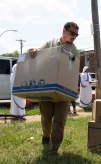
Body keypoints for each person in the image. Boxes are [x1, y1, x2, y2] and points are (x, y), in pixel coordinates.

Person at [29, 22, 79, 157]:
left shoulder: (74, 50)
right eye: (72, 33)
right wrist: (34, 50)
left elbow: (73, 70)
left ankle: (53, 149)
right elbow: (38, 54)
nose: (74, 37)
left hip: (63, 92)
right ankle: (46, 136)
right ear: (64, 30)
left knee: (59, 121)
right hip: (47, 88)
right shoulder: (50, 43)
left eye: (76, 35)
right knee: (46, 118)